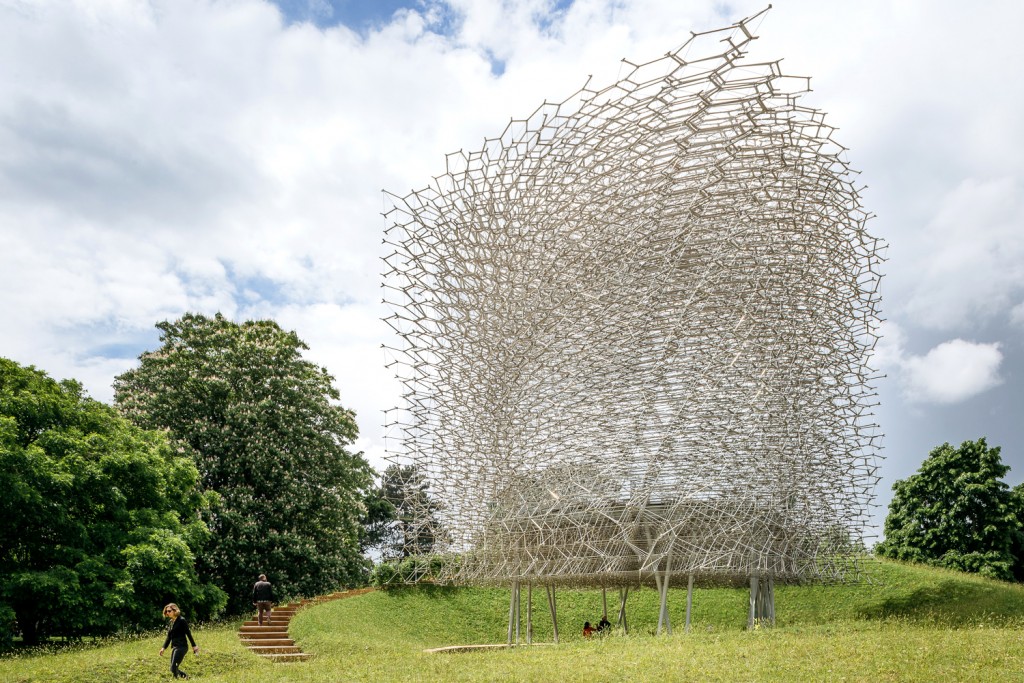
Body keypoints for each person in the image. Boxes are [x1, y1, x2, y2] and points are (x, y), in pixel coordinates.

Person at [159, 603, 198, 679]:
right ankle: (187, 678)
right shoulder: (171, 622)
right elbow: (169, 637)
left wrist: (194, 646)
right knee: (173, 668)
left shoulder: (182, 620)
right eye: (166, 611)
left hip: (182, 647)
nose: (167, 613)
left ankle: (183, 678)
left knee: (173, 668)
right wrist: (163, 648)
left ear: (175, 610)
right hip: (175, 647)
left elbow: (188, 633)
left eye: (169, 611)